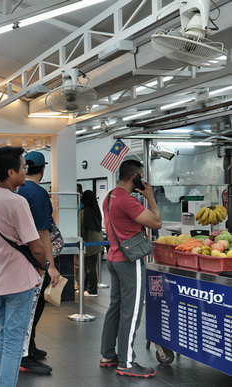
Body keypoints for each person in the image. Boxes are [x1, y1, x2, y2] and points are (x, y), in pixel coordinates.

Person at [0, 146, 48, 387]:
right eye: (22, 167)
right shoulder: (17, 202)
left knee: (4, 333)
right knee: (15, 342)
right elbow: (36, 246)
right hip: (19, 280)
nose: (25, 171)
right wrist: (44, 265)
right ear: (11, 172)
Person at [100, 159, 161, 378]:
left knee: (115, 307)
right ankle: (126, 362)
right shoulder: (126, 200)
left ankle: (108, 355)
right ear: (135, 177)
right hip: (129, 260)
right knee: (132, 310)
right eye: (141, 177)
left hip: (114, 257)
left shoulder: (110, 196)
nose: (143, 181)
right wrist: (151, 198)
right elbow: (156, 222)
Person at [16, 151, 60, 375]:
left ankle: (29, 347)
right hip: (34, 261)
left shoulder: (13, 190)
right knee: (31, 308)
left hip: (15, 260)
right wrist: (50, 265)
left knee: (23, 309)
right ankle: (24, 356)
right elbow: (43, 233)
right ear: (43, 169)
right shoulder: (39, 194)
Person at [81, 190, 104, 296]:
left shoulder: (85, 212)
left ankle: (92, 290)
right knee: (91, 265)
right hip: (97, 243)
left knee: (89, 266)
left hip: (89, 243)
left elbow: (81, 229)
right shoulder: (96, 210)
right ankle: (87, 287)